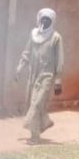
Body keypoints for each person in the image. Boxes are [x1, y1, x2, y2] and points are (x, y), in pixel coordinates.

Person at [15, 8, 64, 144]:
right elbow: (26, 52)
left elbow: (59, 60)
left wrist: (58, 81)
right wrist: (20, 67)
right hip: (33, 75)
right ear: (39, 20)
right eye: (43, 19)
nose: (45, 22)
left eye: (48, 20)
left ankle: (35, 137)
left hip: (46, 76)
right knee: (32, 103)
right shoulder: (33, 35)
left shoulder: (56, 38)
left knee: (36, 104)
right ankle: (44, 123)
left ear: (52, 21)